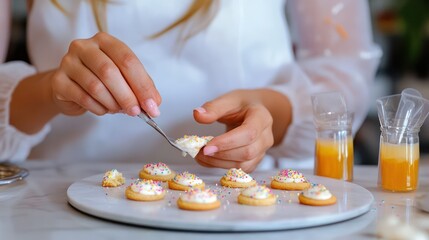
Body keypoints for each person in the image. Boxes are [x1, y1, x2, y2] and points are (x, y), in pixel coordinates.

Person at [0, 0, 381, 171]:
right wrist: (52, 89)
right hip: (58, 208)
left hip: (250, 210)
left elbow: (342, 75)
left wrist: (273, 114)